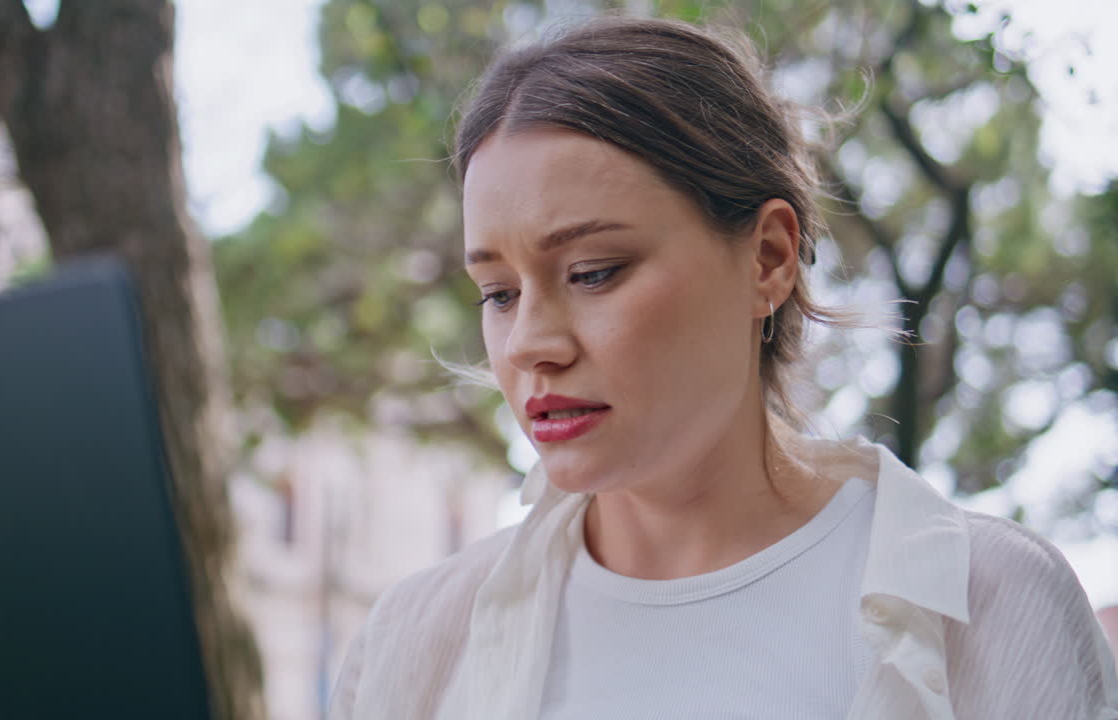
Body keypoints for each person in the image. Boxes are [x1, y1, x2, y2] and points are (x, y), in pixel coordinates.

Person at [329, 16, 1118, 720]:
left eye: (594, 271)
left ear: (769, 258)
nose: (530, 342)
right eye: (498, 293)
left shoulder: (992, 603)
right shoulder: (416, 643)